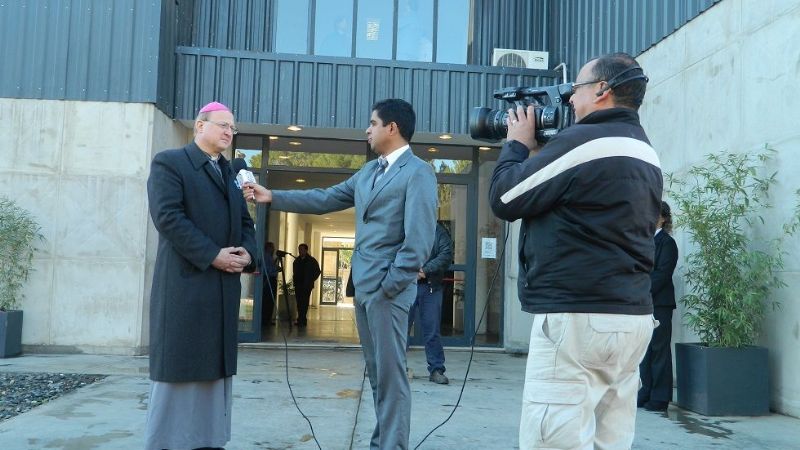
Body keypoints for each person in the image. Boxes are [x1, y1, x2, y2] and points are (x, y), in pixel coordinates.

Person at [488, 53, 663, 450]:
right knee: (610, 442)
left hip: (579, 319)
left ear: (602, 90)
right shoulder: (644, 150)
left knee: (554, 441)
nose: (568, 100)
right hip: (631, 318)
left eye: (575, 88)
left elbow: (505, 197)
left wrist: (516, 146)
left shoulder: (585, 141)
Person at [243, 98, 437, 450]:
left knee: (391, 377)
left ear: (392, 128)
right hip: (364, 289)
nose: (367, 129)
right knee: (377, 374)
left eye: (373, 123)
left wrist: (390, 285)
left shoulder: (418, 172)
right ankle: (383, 441)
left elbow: (419, 241)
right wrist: (272, 196)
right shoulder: (368, 172)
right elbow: (324, 198)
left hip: (387, 292)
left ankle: (392, 446)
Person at [145, 101, 257, 450]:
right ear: (199, 125)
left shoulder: (230, 173)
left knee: (213, 370)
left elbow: (245, 224)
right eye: (222, 124)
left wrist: (248, 253)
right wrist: (213, 256)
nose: (228, 132)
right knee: (182, 366)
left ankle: (208, 441)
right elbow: (168, 218)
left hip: (222, 292)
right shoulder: (170, 163)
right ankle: (169, 441)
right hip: (186, 287)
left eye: (232, 127)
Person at [638, 201, 679, 412]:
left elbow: (663, 274)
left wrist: (640, 289)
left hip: (660, 303)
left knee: (659, 349)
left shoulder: (667, 243)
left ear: (663, 218)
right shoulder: (644, 240)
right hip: (643, 302)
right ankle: (646, 390)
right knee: (644, 349)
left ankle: (661, 397)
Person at [408, 222, 453, 384]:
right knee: (398, 330)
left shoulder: (439, 231)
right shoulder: (404, 226)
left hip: (430, 286)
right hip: (405, 286)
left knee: (432, 331)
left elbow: (446, 254)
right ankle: (394, 369)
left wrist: (424, 271)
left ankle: (436, 370)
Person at [292, 243, 321, 327]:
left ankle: (302, 319)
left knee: (304, 302)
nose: (299, 251)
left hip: (306, 285)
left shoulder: (311, 260)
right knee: (299, 302)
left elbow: (317, 271)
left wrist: (310, 279)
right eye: (299, 249)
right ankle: (301, 319)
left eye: (301, 249)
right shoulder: (297, 260)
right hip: (298, 285)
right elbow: (295, 272)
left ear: (306, 250)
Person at [261, 241, 280, 326]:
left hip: (270, 279)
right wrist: (276, 269)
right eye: (272, 247)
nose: (273, 249)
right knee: (268, 300)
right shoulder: (266, 256)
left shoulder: (269, 257)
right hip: (268, 280)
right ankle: (265, 320)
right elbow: (268, 270)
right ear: (268, 248)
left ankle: (267, 319)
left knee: (269, 301)